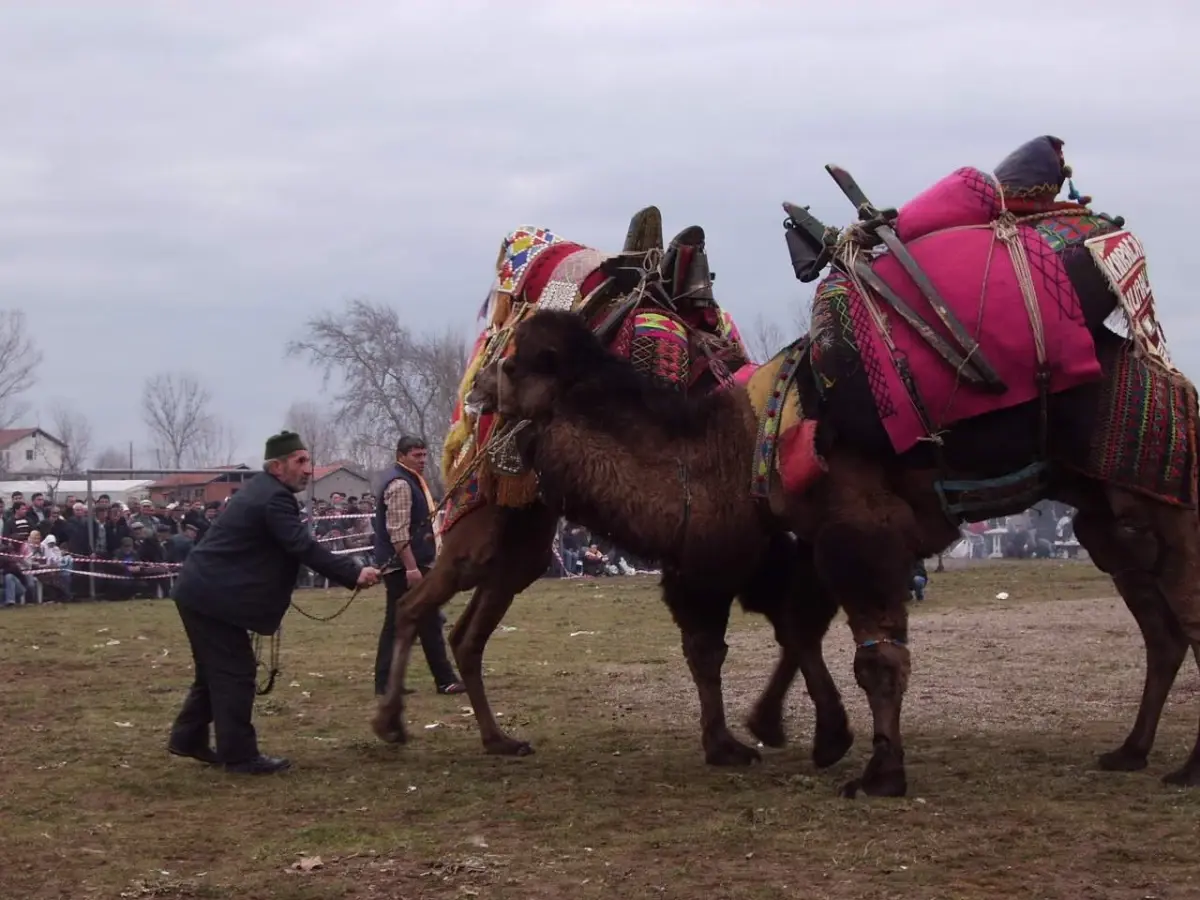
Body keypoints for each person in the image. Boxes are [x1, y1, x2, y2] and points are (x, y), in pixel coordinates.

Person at [168, 431, 379, 775]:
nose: (308, 469)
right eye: (300, 461)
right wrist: (353, 573)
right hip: (211, 597)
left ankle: (188, 737)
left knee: (214, 672)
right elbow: (302, 546)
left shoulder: (264, 492)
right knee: (236, 673)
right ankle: (238, 756)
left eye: (308, 461)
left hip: (202, 593)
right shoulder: (274, 499)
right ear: (277, 466)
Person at [373, 435, 465, 698]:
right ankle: (444, 680)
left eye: (424, 455)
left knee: (398, 622)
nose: (422, 460)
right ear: (401, 456)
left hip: (410, 563)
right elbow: (398, 532)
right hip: (405, 566)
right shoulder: (401, 484)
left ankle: (387, 682)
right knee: (428, 621)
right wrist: (411, 568)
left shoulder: (411, 480)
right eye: (416, 455)